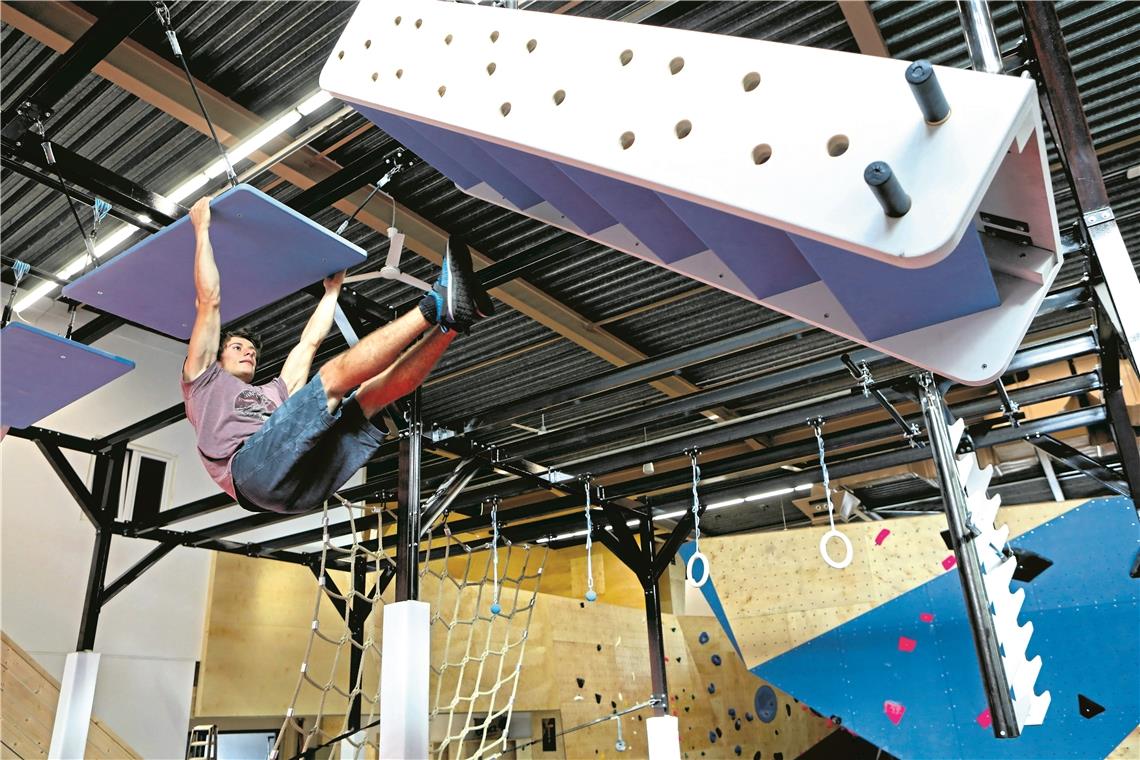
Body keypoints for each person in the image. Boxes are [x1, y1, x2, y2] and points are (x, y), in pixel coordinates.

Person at [180, 196, 493, 514]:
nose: (248, 352)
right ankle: (435, 304)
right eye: (237, 348)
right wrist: (202, 229)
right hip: (248, 473)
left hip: (301, 486)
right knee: (329, 380)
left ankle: (451, 325)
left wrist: (332, 293)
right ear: (217, 358)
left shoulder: (275, 393)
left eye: (252, 350)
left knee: (369, 399)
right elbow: (209, 301)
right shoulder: (203, 380)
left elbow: (309, 343)